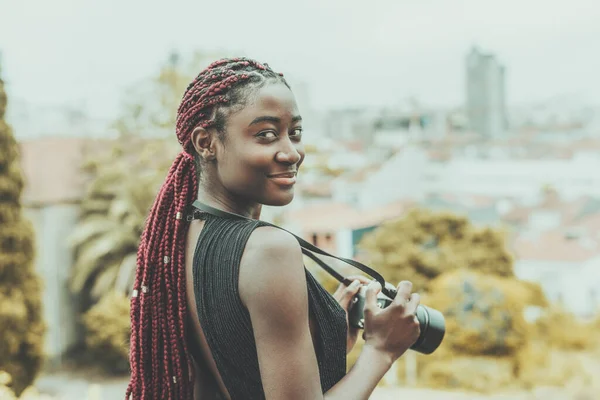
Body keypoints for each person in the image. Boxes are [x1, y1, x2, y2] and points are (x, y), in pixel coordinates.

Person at [126, 57, 421, 400]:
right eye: (266, 135)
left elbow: (233, 363)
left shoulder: (180, 237)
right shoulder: (267, 250)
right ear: (206, 142)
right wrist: (381, 351)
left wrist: (323, 338)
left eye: (294, 133)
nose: (291, 153)